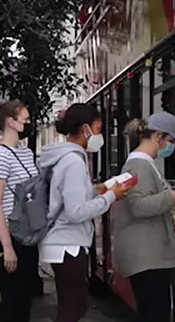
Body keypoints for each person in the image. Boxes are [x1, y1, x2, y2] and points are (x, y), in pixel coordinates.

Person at [39, 103, 131, 322]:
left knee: (71, 306)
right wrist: (110, 197)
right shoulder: (73, 162)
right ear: (85, 129)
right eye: (98, 130)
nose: (99, 136)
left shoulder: (66, 157)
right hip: (67, 244)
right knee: (75, 306)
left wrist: (99, 189)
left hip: (62, 242)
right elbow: (76, 211)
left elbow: (72, 196)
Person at [112, 113, 175, 322]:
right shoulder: (139, 165)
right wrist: (170, 196)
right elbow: (137, 205)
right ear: (158, 137)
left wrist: (172, 194)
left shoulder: (143, 163)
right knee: (156, 313)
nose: (170, 146)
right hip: (148, 258)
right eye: (170, 141)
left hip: (149, 256)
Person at [0, 100, 38, 322]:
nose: (28, 123)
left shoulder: (24, 153)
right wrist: (7, 247)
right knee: (12, 303)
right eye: (25, 120)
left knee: (23, 303)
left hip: (25, 234)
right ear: (11, 123)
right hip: (6, 235)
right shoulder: (0, 156)